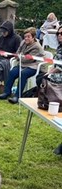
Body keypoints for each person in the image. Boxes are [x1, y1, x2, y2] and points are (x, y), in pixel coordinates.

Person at [0, 27, 45, 104]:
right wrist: (19, 56)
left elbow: (28, 59)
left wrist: (19, 57)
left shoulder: (37, 47)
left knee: (23, 74)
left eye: (28, 37)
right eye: (25, 37)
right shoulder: (23, 42)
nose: (26, 38)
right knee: (12, 72)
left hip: (34, 66)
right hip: (22, 64)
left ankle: (17, 97)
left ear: (33, 37)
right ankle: (6, 93)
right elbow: (17, 52)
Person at [37, 25, 62, 155]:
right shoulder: (59, 48)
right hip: (58, 74)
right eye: (58, 33)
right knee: (43, 79)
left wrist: (53, 72)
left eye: (61, 34)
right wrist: (51, 71)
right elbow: (56, 64)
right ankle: (47, 100)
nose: (59, 35)